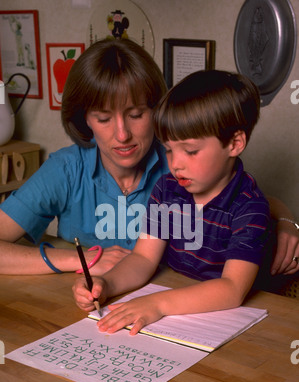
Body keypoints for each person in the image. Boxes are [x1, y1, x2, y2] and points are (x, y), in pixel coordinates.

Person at [0, 39, 298, 278]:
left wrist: (285, 222)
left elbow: (243, 196)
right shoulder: (66, 169)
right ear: (84, 120)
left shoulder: (177, 160)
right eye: (103, 118)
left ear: (158, 110)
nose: (122, 135)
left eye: (136, 115)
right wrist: (81, 260)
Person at [72, 70, 295, 335]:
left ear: (235, 144)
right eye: (168, 149)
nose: (175, 164)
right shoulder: (167, 189)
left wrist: (158, 303)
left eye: (190, 151)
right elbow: (143, 258)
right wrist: (106, 284)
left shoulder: (250, 207)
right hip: (172, 309)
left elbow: (232, 289)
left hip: (222, 325)